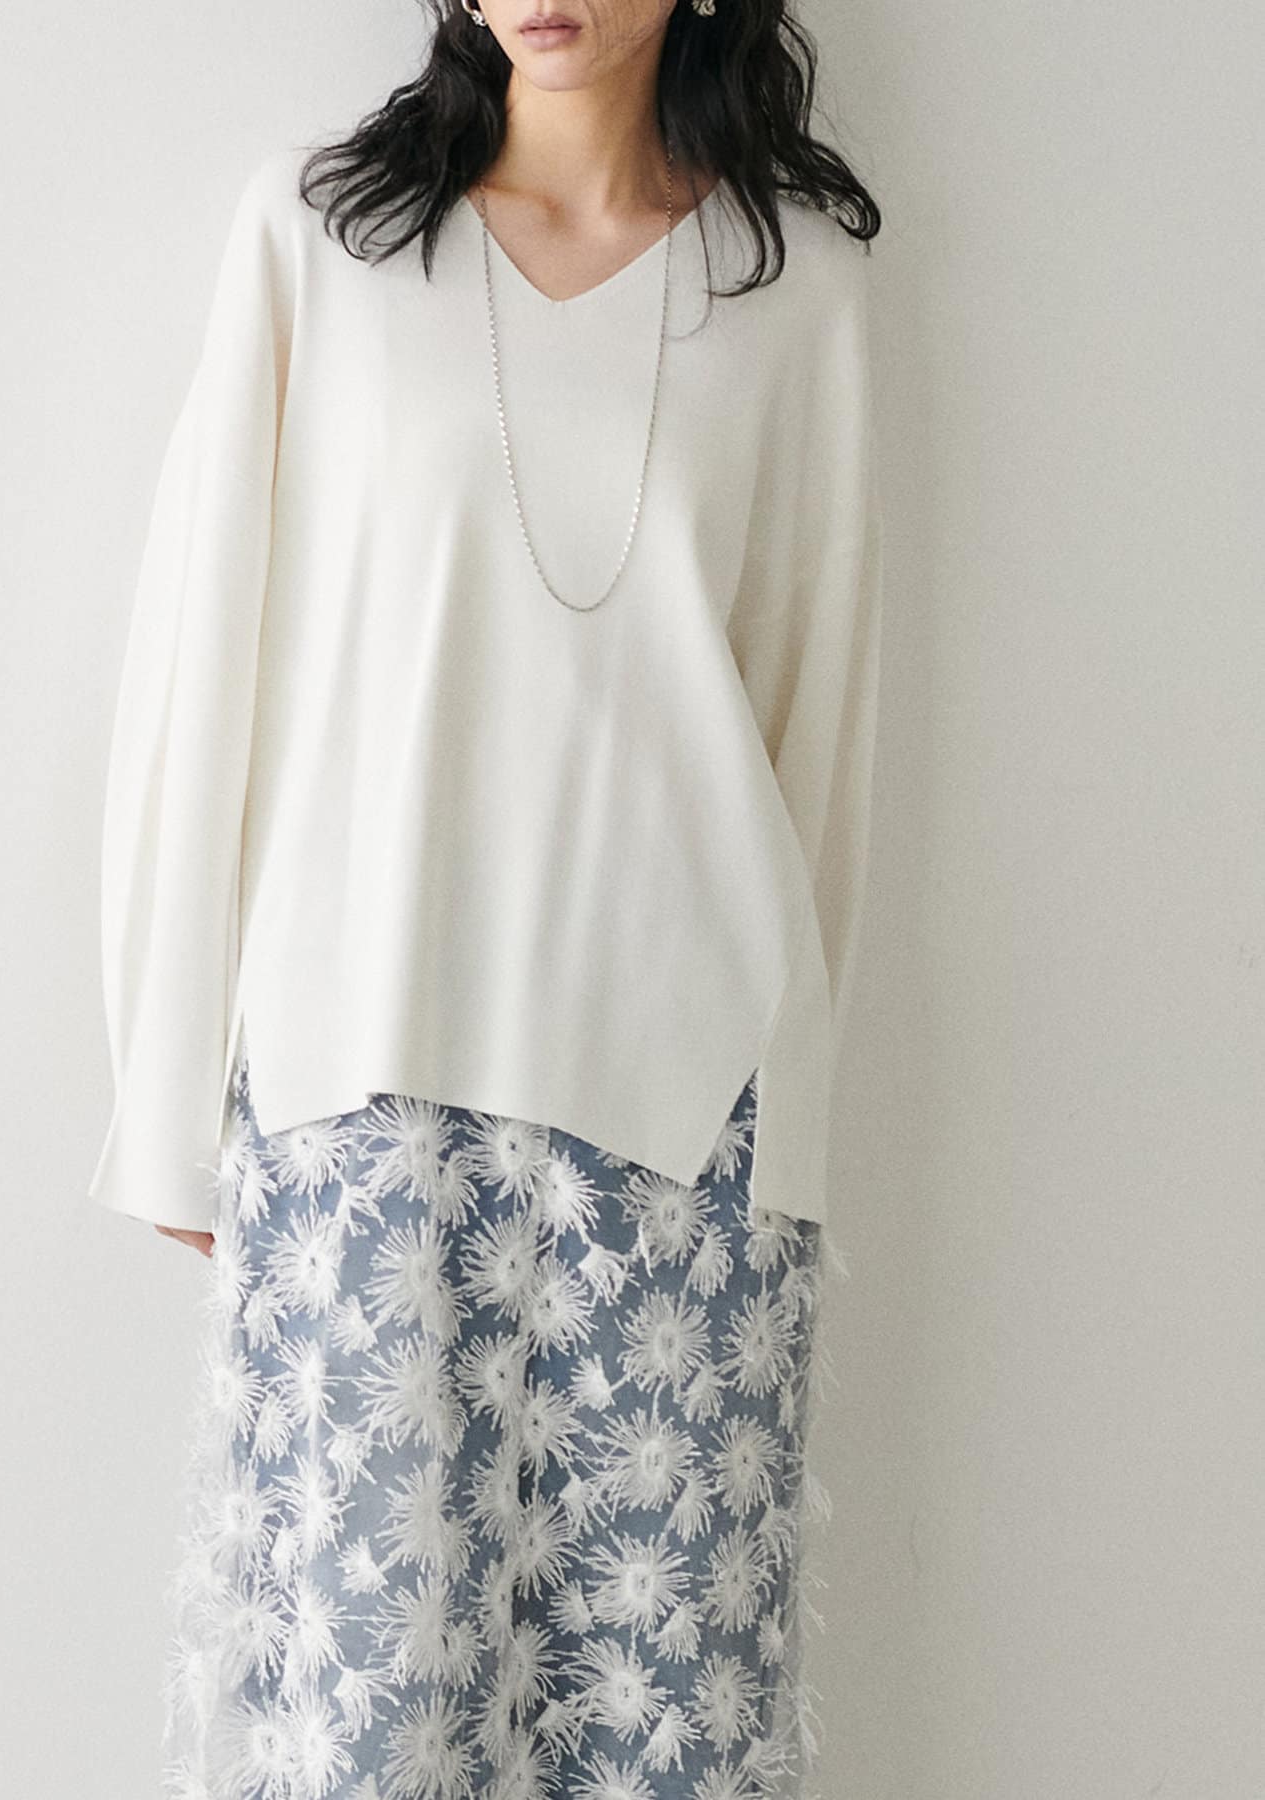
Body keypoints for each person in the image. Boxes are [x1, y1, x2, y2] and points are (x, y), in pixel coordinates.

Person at [86, 3, 884, 1795]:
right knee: (370, 1736)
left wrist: (796, 1133)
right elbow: (199, 668)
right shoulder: (323, 242)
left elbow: (814, 727)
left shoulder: (801, 292)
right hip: (361, 1090)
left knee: (663, 1741)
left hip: (684, 1135)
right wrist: (169, 1098)